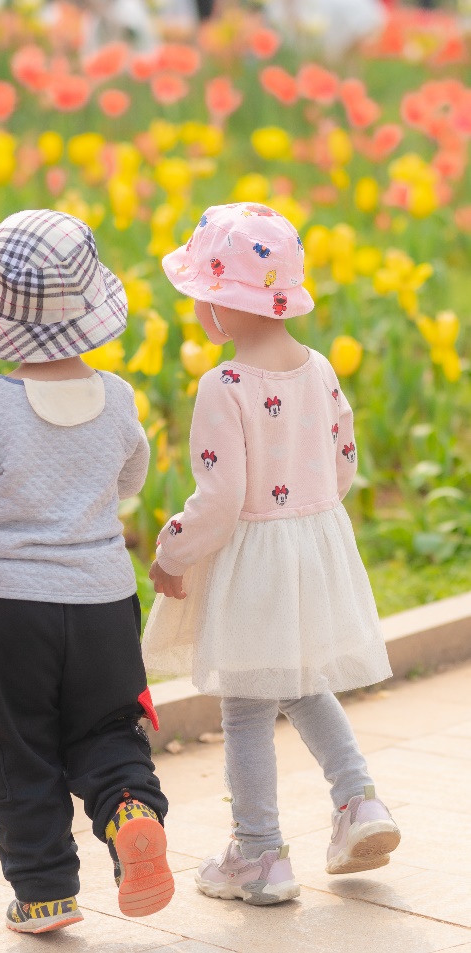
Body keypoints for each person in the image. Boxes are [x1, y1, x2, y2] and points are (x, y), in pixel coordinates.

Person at [142, 202, 400, 906]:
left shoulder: (223, 385)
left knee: (247, 707)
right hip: (314, 547)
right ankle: (358, 800)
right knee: (300, 679)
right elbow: (343, 463)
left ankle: (257, 852)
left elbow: (220, 497)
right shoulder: (317, 369)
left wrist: (173, 550)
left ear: (222, 307)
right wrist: (306, 512)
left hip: (253, 558)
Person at [0, 209, 173, 934]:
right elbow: (128, 481)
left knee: (15, 738)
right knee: (106, 725)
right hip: (102, 598)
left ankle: (43, 892)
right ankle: (128, 807)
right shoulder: (120, 398)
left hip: (9, 606)